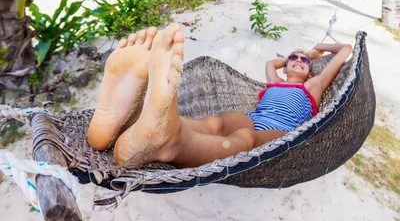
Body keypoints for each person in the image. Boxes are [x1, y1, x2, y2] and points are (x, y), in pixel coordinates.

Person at [87, 23, 352, 169]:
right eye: (292, 57)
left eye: (302, 60)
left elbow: (345, 51)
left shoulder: (312, 86)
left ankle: (172, 144)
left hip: (282, 133)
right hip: (254, 117)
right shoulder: (275, 82)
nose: (297, 60)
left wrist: (317, 50)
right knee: (217, 123)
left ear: (309, 72)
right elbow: (271, 64)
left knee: (245, 139)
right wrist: (290, 60)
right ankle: (134, 124)